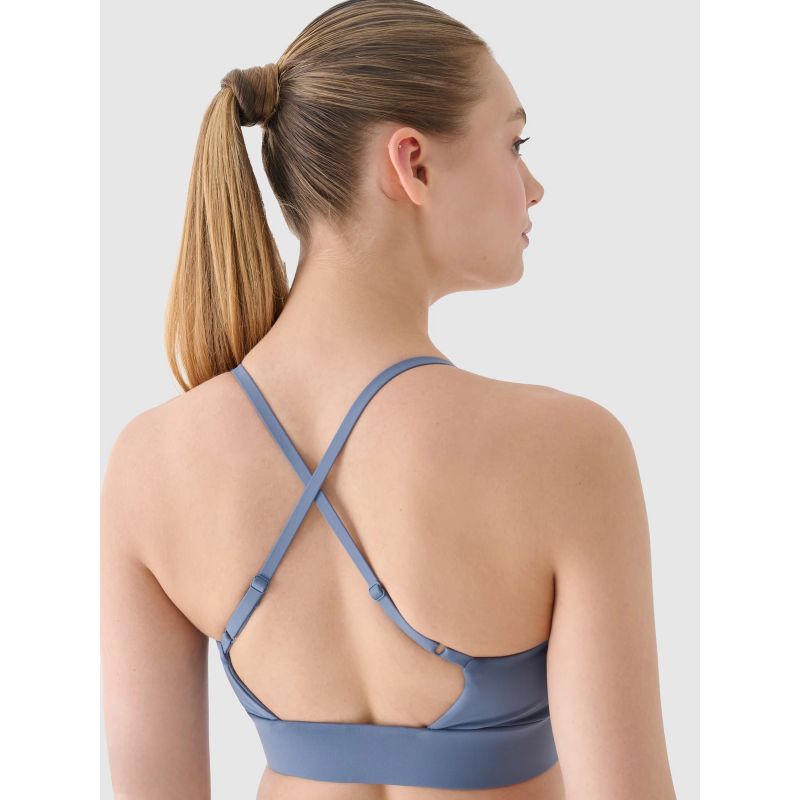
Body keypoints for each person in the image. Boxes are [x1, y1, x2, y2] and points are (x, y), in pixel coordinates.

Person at [100, 1, 677, 798]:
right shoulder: (570, 448)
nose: (534, 187)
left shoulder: (150, 463)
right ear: (414, 164)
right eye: (514, 145)